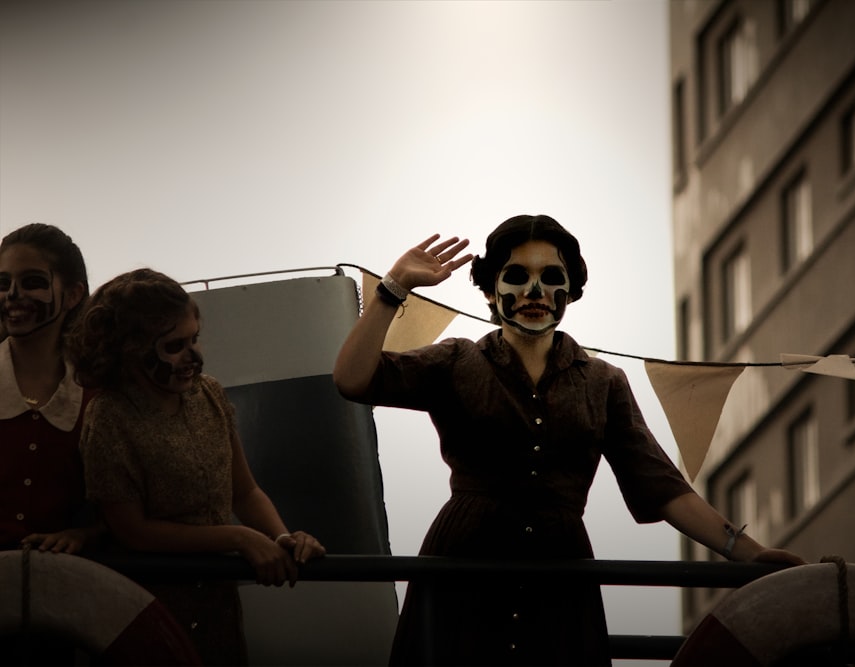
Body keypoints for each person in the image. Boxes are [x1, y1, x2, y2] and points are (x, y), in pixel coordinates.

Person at [333, 214, 806, 666]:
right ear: (492, 293)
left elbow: (662, 486)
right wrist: (393, 288)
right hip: (462, 573)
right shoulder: (456, 361)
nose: (535, 290)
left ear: (571, 290)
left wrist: (749, 553)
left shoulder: (603, 382)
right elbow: (353, 380)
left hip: (559, 582)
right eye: (517, 275)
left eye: (551, 276)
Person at [67, 268, 326, 666]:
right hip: (148, 606)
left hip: (216, 600)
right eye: (175, 345)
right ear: (131, 349)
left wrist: (280, 539)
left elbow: (246, 491)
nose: (194, 356)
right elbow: (132, 531)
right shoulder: (109, 419)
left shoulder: (210, 394)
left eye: (195, 340)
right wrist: (238, 539)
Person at [1, 223, 101, 554]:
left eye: (32, 282)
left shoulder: (97, 394)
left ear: (73, 294)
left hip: (63, 591)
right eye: (3, 283)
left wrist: (84, 534)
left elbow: (124, 505)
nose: (12, 294)